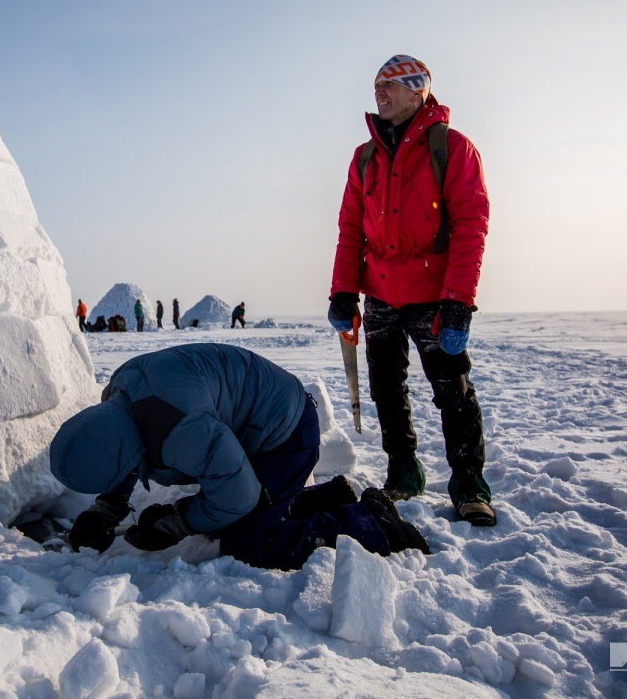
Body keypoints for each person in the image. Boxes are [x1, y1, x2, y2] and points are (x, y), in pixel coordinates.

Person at [49, 343, 429, 570]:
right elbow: (121, 447)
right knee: (228, 516)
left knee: (249, 543)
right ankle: (330, 498)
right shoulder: (121, 394)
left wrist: (180, 522)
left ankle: (372, 521)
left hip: (286, 432)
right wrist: (107, 508)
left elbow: (238, 494)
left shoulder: (181, 428)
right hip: (254, 422)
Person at [328, 55, 495, 527]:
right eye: (376, 85)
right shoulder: (364, 157)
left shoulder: (452, 148)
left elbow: (471, 225)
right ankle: (403, 470)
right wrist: (343, 292)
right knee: (385, 386)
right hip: (380, 292)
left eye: (391, 85)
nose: (379, 92)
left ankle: (469, 484)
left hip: (434, 295)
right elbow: (350, 227)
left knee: (452, 389)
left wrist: (459, 301)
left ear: (419, 89)